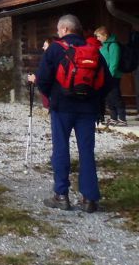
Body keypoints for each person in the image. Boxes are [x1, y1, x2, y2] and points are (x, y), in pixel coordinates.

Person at [28, 14, 111, 213]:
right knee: (86, 152)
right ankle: (89, 199)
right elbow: (107, 82)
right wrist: (91, 98)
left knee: (61, 149)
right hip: (87, 110)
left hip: (62, 108)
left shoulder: (56, 49)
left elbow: (43, 79)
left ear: (65, 29)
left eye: (59, 30)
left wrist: (53, 97)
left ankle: (61, 195)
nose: (58, 33)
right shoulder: (93, 50)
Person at [95, 26, 126, 126]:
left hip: (113, 76)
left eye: (99, 36)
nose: (97, 39)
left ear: (105, 35)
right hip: (105, 76)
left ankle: (122, 118)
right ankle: (113, 117)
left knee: (115, 96)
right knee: (108, 97)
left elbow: (114, 63)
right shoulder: (103, 45)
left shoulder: (113, 46)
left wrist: (109, 77)